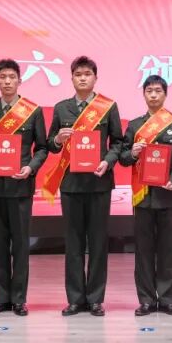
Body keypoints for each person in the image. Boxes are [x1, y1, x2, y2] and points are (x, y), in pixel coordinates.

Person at [43, 56, 123, 317]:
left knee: (98, 243)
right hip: (71, 185)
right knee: (73, 243)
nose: (83, 78)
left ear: (95, 78)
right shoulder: (61, 108)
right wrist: (58, 138)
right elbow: (50, 144)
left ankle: (96, 298)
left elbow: (118, 143)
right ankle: (76, 299)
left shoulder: (108, 107)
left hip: (99, 183)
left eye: (87, 74)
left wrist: (108, 161)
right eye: (78, 74)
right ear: (72, 78)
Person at [0, 59, 48, 317]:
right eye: (2, 77)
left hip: (20, 185)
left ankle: (19, 299)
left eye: (11, 77)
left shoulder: (33, 111)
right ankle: (0, 298)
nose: (7, 81)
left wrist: (31, 168)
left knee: (21, 245)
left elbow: (42, 148)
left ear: (19, 80)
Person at [118, 74, 172, 317]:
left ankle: (168, 299)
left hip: (168, 195)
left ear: (165, 94)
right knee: (144, 251)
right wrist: (133, 152)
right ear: (144, 94)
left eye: (158, 91)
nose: (153, 95)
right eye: (149, 91)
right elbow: (123, 158)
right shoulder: (135, 126)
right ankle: (147, 300)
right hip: (143, 196)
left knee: (168, 250)